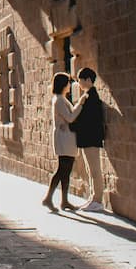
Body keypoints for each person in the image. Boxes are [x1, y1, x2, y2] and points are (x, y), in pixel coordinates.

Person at [43, 72, 85, 210]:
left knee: (66, 171)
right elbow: (70, 117)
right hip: (64, 138)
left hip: (67, 138)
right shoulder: (59, 100)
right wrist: (80, 103)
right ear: (63, 84)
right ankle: (48, 198)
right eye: (68, 82)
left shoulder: (61, 99)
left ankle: (64, 201)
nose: (69, 85)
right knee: (62, 169)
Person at [73, 66, 106, 211]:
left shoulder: (91, 97)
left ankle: (98, 200)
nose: (79, 83)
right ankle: (93, 197)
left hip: (91, 137)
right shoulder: (87, 95)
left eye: (80, 80)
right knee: (90, 168)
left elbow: (89, 119)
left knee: (94, 169)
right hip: (87, 138)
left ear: (88, 80)